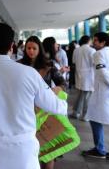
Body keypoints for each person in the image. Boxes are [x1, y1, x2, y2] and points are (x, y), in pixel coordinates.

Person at [0, 23, 67, 169]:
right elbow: (57, 107)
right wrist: (62, 100)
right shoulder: (29, 74)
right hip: (22, 152)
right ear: (12, 47)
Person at [18, 36, 66, 169]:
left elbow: (62, 82)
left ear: (40, 49)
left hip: (45, 111)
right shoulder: (18, 64)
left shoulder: (48, 65)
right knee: (30, 147)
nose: (31, 51)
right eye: (28, 48)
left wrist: (58, 88)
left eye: (34, 48)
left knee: (48, 147)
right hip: (25, 110)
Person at [82, 32, 109, 162]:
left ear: (103, 43)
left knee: (95, 119)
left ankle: (100, 149)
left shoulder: (98, 54)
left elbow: (102, 72)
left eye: (96, 41)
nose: (93, 43)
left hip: (103, 94)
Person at [70, 35, 95, 121]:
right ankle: (85, 115)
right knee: (87, 97)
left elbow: (74, 62)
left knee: (79, 95)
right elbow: (94, 63)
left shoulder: (76, 50)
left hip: (79, 75)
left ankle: (75, 112)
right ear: (88, 41)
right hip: (89, 76)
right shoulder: (91, 50)